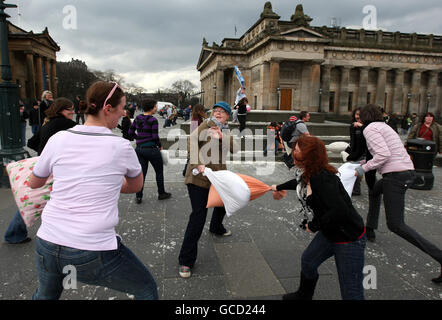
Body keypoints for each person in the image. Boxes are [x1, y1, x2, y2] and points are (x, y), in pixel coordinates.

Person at [28, 81, 158, 300]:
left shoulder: (57, 139)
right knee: (146, 289)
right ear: (107, 109)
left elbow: (34, 183)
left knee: (45, 296)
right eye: (122, 108)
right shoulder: (121, 147)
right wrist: (110, 184)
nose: (124, 113)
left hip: (47, 241)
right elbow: (136, 186)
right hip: (91, 247)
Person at [355, 104, 442, 284]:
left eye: (359, 117)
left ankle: (439, 256)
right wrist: (363, 163)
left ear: (364, 117)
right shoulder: (384, 126)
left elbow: (383, 155)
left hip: (396, 176)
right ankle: (369, 227)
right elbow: (386, 153)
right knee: (375, 190)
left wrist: (362, 169)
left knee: (396, 225)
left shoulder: (370, 128)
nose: (357, 120)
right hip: (404, 172)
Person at [272, 135, 366, 300]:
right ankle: (304, 295)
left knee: (351, 289)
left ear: (310, 156)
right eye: (294, 150)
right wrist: (278, 187)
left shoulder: (322, 178)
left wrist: (314, 225)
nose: (293, 154)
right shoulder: (308, 173)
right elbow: (299, 183)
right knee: (308, 261)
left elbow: (340, 210)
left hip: (348, 238)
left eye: (298, 151)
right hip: (330, 231)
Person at [5, 98, 77, 245]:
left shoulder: (48, 123)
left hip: (44, 165)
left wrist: (44, 150)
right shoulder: (66, 124)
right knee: (39, 200)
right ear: (60, 110)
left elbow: (31, 142)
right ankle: (15, 233)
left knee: (34, 200)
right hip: (56, 168)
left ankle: (16, 233)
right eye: (69, 109)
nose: (73, 112)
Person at [178, 101, 236, 279]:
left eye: (222, 112)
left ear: (227, 116)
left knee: (223, 202)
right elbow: (191, 141)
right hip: (199, 177)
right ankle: (186, 260)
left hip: (217, 177)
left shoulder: (225, 130)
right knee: (198, 216)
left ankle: (216, 227)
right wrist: (198, 164)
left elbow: (234, 148)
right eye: (216, 111)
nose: (218, 114)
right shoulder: (206, 125)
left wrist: (221, 138)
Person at [128, 99, 171, 203]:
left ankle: (139, 196)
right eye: (155, 106)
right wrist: (160, 146)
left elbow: (130, 132)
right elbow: (155, 136)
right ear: (151, 108)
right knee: (159, 171)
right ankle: (161, 193)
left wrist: (138, 138)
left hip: (140, 149)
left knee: (142, 173)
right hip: (151, 149)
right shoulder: (153, 120)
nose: (156, 108)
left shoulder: (138, 118)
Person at [182, 104, 208, 176]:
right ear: (199, 111)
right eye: (202, 110)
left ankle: (185, 171)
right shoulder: (195, 120)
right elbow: (194, 133)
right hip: (195, 141)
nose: (204, 112)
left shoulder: (199, 118)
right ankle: (185, 171)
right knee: (191, 157)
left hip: (199, 140)